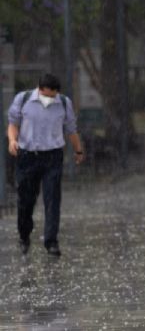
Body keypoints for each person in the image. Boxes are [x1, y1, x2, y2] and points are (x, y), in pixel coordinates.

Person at [7, 73, 84, 256]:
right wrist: (12, 140)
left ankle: (51, 241)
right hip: (28, 155)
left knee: (52, 199)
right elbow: (13, 123)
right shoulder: (23, 99)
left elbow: (71, 130)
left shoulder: (64, 103)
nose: (50, 99)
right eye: (47, 95)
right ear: (39, 89)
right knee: (25, 200)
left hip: (52, 156)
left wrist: (78, 150)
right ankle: (24, 234)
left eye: (53, 96)